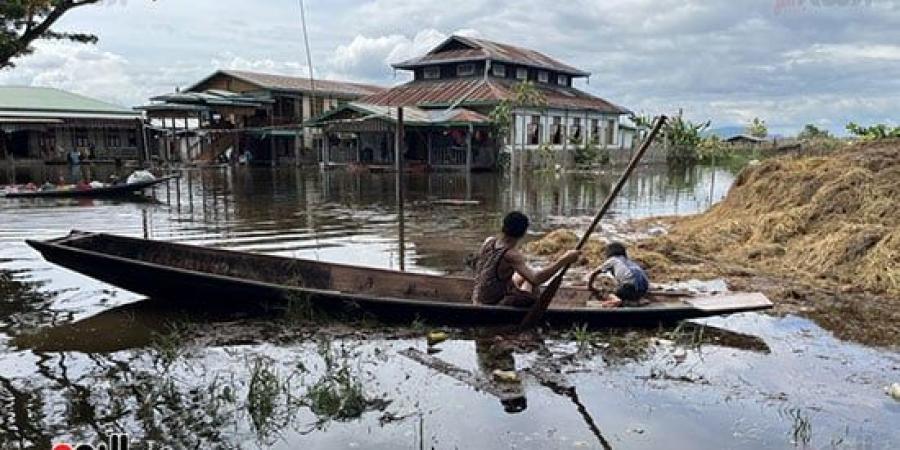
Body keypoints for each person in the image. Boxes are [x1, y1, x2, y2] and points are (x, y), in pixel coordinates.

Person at [471, 211, 580, 307]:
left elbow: (481, 268)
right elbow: (536, 279)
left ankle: (519, 289)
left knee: (522, 277)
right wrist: (564, 260)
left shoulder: (489, 241)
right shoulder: (511, 254)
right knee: (532, 293)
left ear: (503, 227)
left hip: (477, 297)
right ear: (523, 233)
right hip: (492, 304)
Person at [587, 242, 649, 308]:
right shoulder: (628, 261)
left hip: (630, 287)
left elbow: (594, 273)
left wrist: (590, 285)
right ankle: (636, 300)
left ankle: (616, 300)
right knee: (624, 287)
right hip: (644, 288)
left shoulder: (612, 260)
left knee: (606, 290)